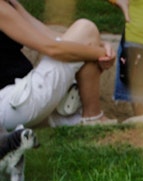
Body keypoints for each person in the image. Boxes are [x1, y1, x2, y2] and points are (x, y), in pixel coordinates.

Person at [0, 0, 115, 130]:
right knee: (86, 27)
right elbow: (51, 48)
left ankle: (77, 117)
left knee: (85, 37)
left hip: (17, 101)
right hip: (11, 103)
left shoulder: (10, 4)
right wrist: (99, 53)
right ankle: (93, 117)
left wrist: (100, 45)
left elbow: (50, 37)